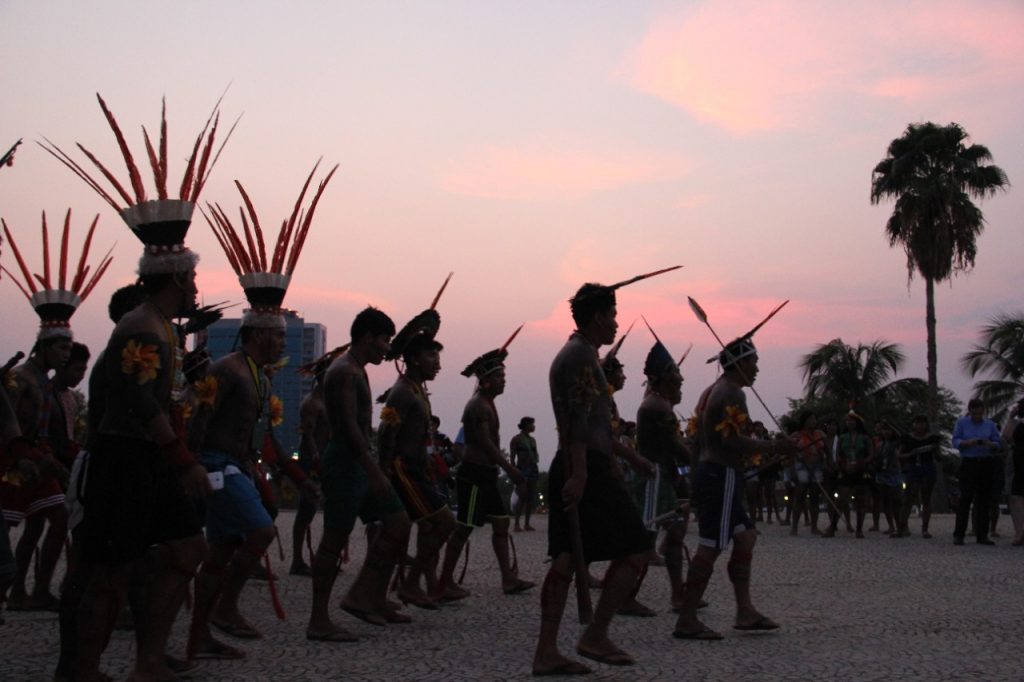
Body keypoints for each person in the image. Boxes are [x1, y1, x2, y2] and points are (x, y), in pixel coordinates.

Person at [188, 165, 334, 658]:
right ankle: (217, 613)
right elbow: (199, 421)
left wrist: (292, 473)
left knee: (226, 548)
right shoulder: (228, 370)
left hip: (238, 467)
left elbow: (266, 436)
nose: (280, 340)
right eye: (273, 335)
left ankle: (208, 625)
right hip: (215, 467)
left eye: (280, 334)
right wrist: (191, 468)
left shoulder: (259, 374)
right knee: (262, 530)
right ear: (253, 334)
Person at [533, 276, 668, 676]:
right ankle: (593, 635)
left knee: (567, 558)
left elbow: (597, 425)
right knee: (636, 547)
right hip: (581, 466)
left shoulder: (584, 353)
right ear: (595, 316)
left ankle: (550, 650)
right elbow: (576, 421)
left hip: (589, 463)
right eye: (611, 315)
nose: (615, 324)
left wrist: (620, 459)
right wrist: (578, 474)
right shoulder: (577, 356)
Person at [0, 210, 113, 613]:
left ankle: (33, 589)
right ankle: (16, 590)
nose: (67, 355)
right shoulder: (21, 379)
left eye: (69, 349)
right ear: (45, 347)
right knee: (16, 527)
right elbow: (8, 422)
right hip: (14, 461)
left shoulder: (46, 384)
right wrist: (23, 457)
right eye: (63, 349)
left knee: (49, 520)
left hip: (38, 460)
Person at [673, 333, 796, 640]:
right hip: (720, 475)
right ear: (740, 363)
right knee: (711, 545)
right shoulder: (731, 393)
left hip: (714, 472)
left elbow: (701, 441)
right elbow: (732, 440)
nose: (757, 369)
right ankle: (687, 619)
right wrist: (776, 447)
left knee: (746, 537)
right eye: (753, 362)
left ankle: (745, 611)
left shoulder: (714, 390)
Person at [308, 307, 412, 640]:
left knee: (398, 523)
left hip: (360, 463)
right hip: (345, 463)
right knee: (334, 539)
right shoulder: (344, 372)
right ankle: (318, 620)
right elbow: (348, 428)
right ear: (368, 337)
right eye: (384, 340)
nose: (387, 347)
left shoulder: (357, 370)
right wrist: (375, 471)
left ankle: (368, 596)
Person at [436, 332, 535, 600]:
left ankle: (508, 579)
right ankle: (443, 583)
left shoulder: (487, 403)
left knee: (502, 524)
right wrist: (511, 469)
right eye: (500, 377)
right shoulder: (478, 406)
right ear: (487, 381)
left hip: (487, 475)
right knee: (464, 528)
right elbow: (484, 444)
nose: (504, 381)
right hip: (475, 475)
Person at [378, 304, 455, 609]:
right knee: (446, 523)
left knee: (424, 527)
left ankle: (426, 583)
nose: (437, 363)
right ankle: (410, 585)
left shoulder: (417, 389)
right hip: (403, 470)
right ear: (412, 359)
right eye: (431, 356)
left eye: (437, 356)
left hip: (418, 471)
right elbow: (386, 433)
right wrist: (384, 473)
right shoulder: (403, 392)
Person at [635, 336, 690, 611]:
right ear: (662, 378)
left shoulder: (661, 404)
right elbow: (674, 446)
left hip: (663, 475)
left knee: (676, 533)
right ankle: (626, 596)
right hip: (652, 478)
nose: (680, 379)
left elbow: (672, 448)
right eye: (675, 373)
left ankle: (677, 594)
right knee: (644, 541)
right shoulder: (657, 406)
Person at [291, 355, 331, 576]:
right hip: (311, 461)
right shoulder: (312, 403)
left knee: (329, 511)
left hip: (326, 459)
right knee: (306, 510)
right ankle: (297, 560)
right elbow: (307, 435)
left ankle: (325, 557)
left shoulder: (329, 401)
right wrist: (316, 459)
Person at [952, 398, 1002, 545]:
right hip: (969, 463)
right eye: (975, 413)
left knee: (984, 500)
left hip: (986, 463)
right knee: (965, 499)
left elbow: (998, 444)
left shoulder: (990, 425)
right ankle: (959, 534)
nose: (978, 416)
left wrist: (989, 444)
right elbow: (955, 441)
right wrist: (967, 442)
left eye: (980, 413)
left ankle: (982, 535)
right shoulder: (961, 423)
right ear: (970, 411)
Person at [823, 412, 874, 539]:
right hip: (846, 470)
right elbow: (838, 454)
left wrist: (860, 463)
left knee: (860, 501)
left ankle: (859, 529)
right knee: (841, 499)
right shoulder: (842, 438)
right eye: (847, 421)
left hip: (860, 470)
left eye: (852, 421)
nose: (849, 423)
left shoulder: (865, 438)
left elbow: (871, 454)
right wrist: (843, 465)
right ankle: (833, 526)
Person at [898, 414, 940, 538]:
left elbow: (937, 456)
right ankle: (902, 527)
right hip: (913, 468)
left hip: (928, 467)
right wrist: (912, 454)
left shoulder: (932, 438)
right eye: (917, 423)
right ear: (913, 424)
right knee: (908, 498)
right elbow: (899, 455)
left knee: (926, 498)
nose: (920, 426)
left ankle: (925, 529)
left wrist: (934, 449)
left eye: (922, 423)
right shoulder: (907, 438)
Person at [789, 412, 825, 536]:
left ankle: (814, 527)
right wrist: (792, 469)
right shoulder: (797, 435)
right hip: (802, 467)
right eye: (810, 419)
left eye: (814, 418)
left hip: (817, 467)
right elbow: (791, 453)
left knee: (815, 497)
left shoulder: (819, 434)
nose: (813, 421)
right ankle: (794, 527)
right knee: (800, 496)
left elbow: (826, 451)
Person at [511, 417, 540, 532]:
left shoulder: (533, 440)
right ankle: (517, 524)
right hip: (522, 469)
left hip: (533, 468)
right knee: (522, 496)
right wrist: (513, 471)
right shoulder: (516, 440)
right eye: (531, 424)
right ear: (526, 425)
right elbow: (512, 457)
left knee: (530, 497)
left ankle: (527, 524)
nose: (533, 426)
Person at [1003, 399, 1024, 546]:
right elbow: (1007, 437)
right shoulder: (1018, 422)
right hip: (1018, 460)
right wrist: (1011, 417)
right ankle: (1019, 531)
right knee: (1015, 496)